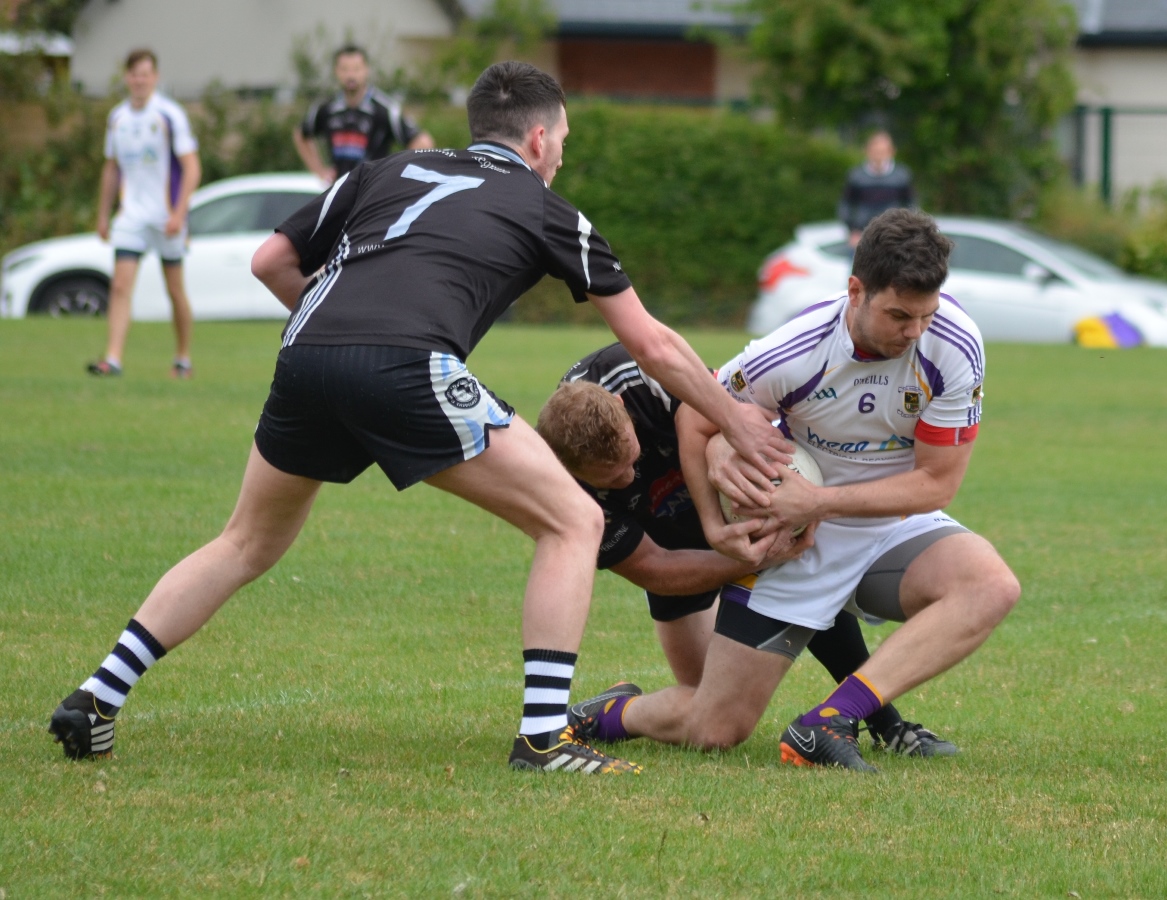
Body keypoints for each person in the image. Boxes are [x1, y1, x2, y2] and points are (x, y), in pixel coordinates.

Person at [48, 61, 792, 775]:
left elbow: (270, 261)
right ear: (538, 139)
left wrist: (341, 339)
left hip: (304, 350)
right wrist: (733, 416)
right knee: (573, 521)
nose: (560, 157)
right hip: (407, 362)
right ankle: (541, 740)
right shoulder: (546, 206)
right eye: (561, 142)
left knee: (244, 541)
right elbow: (653, 342)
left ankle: (97, 695)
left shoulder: (384, 170)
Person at [570, 208, 1021, 772]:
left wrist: (822, 502)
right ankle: (612, 714)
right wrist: (715, 526)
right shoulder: (793, 351)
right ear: (855, 290)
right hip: (795, 538)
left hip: (888, 526)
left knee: (990, 585)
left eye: (926, 315)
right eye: (899, 315)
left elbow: (938, 482)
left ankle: (829, 722)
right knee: (714, 728)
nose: (913, 332)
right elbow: (696, 418)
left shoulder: (954, 346)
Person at [537, 345, 958, 757]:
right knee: (707, 711)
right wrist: (757, 557)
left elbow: (729, 410)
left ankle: (886, 723)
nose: (628, 478)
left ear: (620, 405)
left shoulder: (637, 373)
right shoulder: (557, 487)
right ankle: (613, 711)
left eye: (630, 459)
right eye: (612, 479)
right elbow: (655, 569)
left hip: (725, 497)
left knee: (804, 575)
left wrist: (723, 457)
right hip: (666, 548)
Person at [87, 49, 201, 378]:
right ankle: (113, 359)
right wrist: (103, 214)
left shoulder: (169, 115)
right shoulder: (118, 117)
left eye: (145, 74)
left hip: (166, 217)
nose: (139, 80)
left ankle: (182, 358)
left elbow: (192, 169)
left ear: (155, 77)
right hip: (131, 217)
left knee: (175, 290)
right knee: (120, 286)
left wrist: (179, 213)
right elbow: (111, 169)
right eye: (134, 74)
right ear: (127, 78)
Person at [293, 45, 434, 185]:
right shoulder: (326, 108)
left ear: (366, 70)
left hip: (373, 194)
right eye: (344, 69)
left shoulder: (385, 109)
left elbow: (423, 142)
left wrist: (396, 177)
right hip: (339, 194)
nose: (350, 75)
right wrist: (320, 172)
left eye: (356, 69)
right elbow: (301, 135)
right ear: (336, 71)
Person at [837, 131, 915, 249]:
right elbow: (846, 205)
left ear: (892, 152)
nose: (879, 155)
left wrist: (906, 229)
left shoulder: (902, 175)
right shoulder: (856, 176)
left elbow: (911, 204)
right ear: (867, 151)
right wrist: (852, 230)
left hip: (894, 236)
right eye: (876, 151)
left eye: (882, 152)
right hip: (862, 236)